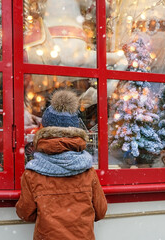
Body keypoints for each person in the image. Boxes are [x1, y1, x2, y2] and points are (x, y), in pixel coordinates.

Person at [16, 89, 107, 240]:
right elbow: (101, 211)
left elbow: (25, 213)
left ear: (44, 132)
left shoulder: (32, 173)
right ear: (76, 133)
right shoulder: (87, 170)